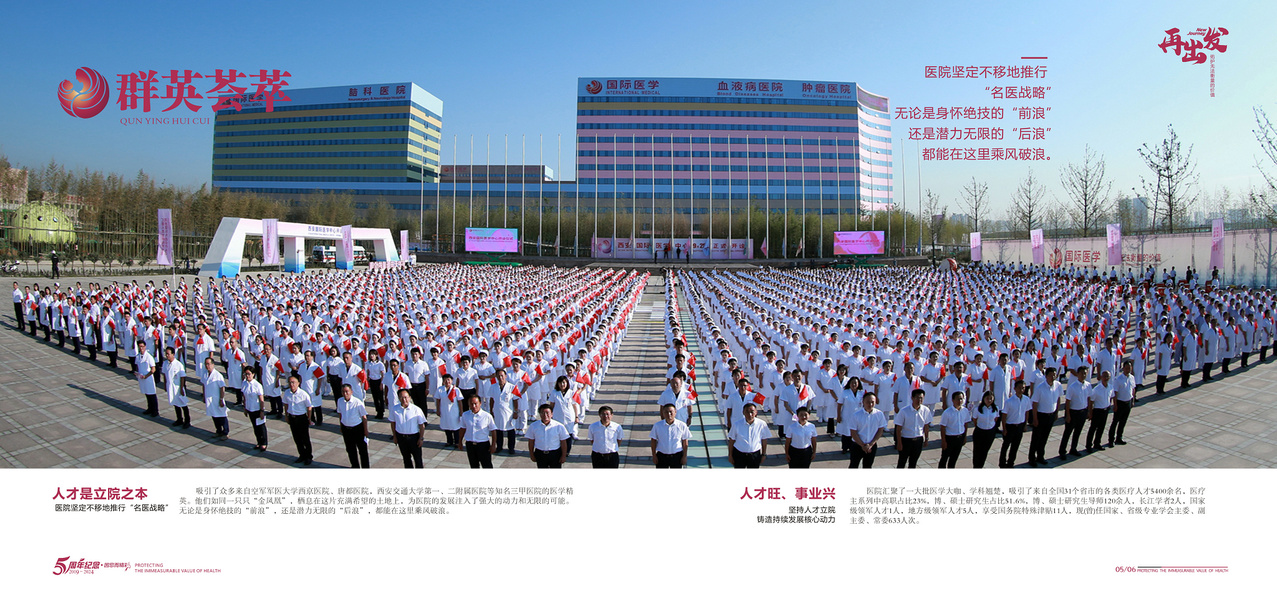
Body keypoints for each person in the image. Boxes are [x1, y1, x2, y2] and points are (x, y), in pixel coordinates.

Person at [1028, 367, 1063, 467]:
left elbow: (1058, 399)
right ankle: (1032, 458)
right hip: (1041, 416)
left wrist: (1056, 413)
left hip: (1051, 415)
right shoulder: (1040, 388)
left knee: (1044, 437)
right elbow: (1034, 404)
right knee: (1036, 438)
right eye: (1051, 375)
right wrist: (1035, 419)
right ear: (1046, 376)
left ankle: (1040, 456)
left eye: (1054, 375)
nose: (1053, 377)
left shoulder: (1058, 385)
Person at [847, 392, 887, 468]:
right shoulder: (856, 415)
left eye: (873, 402)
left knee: (868, 466)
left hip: (871, 446)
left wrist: (871, 444)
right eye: (868, 402)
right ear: (863, 402)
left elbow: (880, 430)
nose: (870, 404)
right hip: (857, 445)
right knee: (853, 466)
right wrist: (863, 445)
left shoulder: (879, 414)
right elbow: (853, 432)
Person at [389, 388, 426, 468]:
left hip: (414, 438)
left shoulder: (416, 410)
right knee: (406, 459)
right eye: (401, 397)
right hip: (401, 438)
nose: (404, 399)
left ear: (409, 397)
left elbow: (422, 426)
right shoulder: (395, 409)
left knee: (418, 459)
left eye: (406, 397)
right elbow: (393, 423)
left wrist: (421, 438)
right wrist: (395, 436)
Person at [895, 389, 932, 469]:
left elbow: (926, 426)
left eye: (921, 398)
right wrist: (899, 443)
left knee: (913, 463)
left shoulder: (925, 410)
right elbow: (898, 428)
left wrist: (926, 439)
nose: (919, 400)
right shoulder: (904, 411)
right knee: (901, 462)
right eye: (917, 398)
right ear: (912, 398)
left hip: (918, 440)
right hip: (906, 440)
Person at [281, 374, 314, 466]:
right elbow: (286, 404)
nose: (292, 384)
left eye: (293, 382)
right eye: (290, 382)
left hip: (301, 418)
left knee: (305, 439)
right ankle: (302, 455)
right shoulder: (287, 393)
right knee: (297, 438)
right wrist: (286, 416)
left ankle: (308, 456)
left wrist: (309, 418)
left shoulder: (303, 394)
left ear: (298, 383)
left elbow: (309, 407)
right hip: (292, 417)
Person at [1060, 365, 1091, 459]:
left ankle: (1073, 448)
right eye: (1081, 373)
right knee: (1067, 433)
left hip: (1083, 412)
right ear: (1077, 374)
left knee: (1077, 432)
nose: (1083, 375)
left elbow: (1089, 398)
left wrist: (1089, 411)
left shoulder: (1088, 385)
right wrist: (1068, 415)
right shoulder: (1072, 387)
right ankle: (1062, 451)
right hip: (1073, 412)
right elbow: (1068, 401)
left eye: (1085, 373)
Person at [458, 395, 497, 468]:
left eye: (475, 404)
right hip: (470, 445)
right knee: (474, 466)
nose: (473, 406)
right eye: (471, 404)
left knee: (487, 466)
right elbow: (463, 428)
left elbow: (493, 430)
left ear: (480, 403)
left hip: (483, 445)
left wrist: (493, 444)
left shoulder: (487, 416)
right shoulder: (465, 415)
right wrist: (460, 441)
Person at [1000, 379, 1032, 468]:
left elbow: (1027, 412)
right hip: (1010, 426)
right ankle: (1002, 463)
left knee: (1015, 446)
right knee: (1005, 446)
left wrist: (1025, 425)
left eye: (1023, 388)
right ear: (1015, 389)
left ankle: (1011, 462)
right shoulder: (1009, 401)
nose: (1021, 390)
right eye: (1019, 388)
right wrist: (1004, 428)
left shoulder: (1026, 399)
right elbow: (1004, 416)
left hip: (1020, 426)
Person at [726, 403, 770, 468]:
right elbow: (732, 440)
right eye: (747, 412)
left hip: (754, 455)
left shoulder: (762, 424)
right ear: (743, 412)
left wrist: (764, 454)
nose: (750, 414)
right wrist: (730, 455)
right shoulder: (737, 424)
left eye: (752, 412)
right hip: (739, 454)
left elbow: (764, 440)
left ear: (756, 412)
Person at [337, 384, 370, 468]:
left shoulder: (357, 402)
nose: (345, 394)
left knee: (362, 450)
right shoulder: (340, 401)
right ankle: (355, 466)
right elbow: (340, 414)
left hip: (357, 429)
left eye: (347, 391)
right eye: (343, 392)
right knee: (350, 450)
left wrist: (365, 430)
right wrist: (341, 426)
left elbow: (364, 417)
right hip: (346, 429)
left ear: (351, 392)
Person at [649, 403, 690, 468]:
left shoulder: (682, 425)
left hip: (677, 456)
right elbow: (653, 441)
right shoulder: (657, 425)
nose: (669, 414)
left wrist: (684, 456)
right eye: (666, 412)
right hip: (662, 456)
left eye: (671, 412)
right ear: (663, 413)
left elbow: (685, 442)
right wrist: (654, 455)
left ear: (675, 412)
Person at [937, 391, 970, 469]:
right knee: (944, 458)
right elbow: (942, 427)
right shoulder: (947, 412)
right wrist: (943, 441)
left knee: (954, 459)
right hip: (950, 438)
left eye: (961, 399)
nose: (960, 401)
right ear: (952, 400)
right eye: (958, 399)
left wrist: (965, 436)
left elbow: (966, 424)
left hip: (960, 437)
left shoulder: (965, 411)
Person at [1085, 369, 1115, 453]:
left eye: (1107, 376)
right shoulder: (1097, 389)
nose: (1106, 378)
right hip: (1097, 411)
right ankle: (1088, 445)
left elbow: (1111, 397)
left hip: (1105, 410)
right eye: (1104, 376)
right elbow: (1091, 401)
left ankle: (1097, 443)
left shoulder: (1110, 387)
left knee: (1101, 428)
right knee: (1093, 428)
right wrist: (1090, 412)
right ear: (1101, 377)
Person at [970, 391, 1001, 468]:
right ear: (983, 398)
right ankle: (976, 467)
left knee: (985, 451)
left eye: (991, 398)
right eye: (987, 398)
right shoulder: (977, 409)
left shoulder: (996, 408)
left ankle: (981, 466)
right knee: (977, 451)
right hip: (979, 432)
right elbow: (975, 420)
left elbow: (996, 419)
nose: (989, 400)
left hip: (990, 432)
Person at [1110, 359, 1137, 447]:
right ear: (1123, 368)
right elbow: (1115, 393)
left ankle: (1119, 437)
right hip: (1120, 402)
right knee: (1115, 422)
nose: (1128, 370)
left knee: (1123, 421)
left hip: (1128, 402)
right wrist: (1115, 405)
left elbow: (1133, 389)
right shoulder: (1118, 379)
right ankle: (1111, 439)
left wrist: (1132, 401)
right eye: (1126, 368)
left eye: (1130, 368)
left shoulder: (1132, 377)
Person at [161, 347, 190, 428]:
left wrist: (181, 388)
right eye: (166, 354)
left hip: (178, 388)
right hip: (170, 387)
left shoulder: (178, 364)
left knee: (183, 404)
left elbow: (182, 377)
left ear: (173, 354)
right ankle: (179, 419)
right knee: (175, 403)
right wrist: (165, 384)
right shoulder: (165, 363)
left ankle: (187, 421)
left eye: (168, 354)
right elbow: (164, 374)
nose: (167, 355)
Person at [202, 357, 230, 439]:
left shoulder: (218, 375)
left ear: (213, 364)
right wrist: (204, 395)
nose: (207, 366)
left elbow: (222, 388)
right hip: (209, 399)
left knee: (222, 415)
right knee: (214, 415)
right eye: (206, 364)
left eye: (209, 364)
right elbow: (204, 385)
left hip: (217, 399)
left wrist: (221, 399)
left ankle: (225, 433)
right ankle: (218, 431)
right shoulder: (205, 374)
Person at [242, 368, 268, 452]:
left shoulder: (257, 385)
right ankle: (259, 442)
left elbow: (261, 399)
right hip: (250, 408)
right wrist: (245, 408)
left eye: (249, 374)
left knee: (261, 427)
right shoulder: (244, 383)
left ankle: (264, 443)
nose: (247, 376)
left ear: (253, 374)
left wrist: (262, 411)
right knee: (255, 427)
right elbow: (244, 397)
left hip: (257, 409)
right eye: (246, 374)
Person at [135, 339, 159, 418]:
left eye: (142, 346)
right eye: (140, 346)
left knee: (151, 394)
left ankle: (155, 411)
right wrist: (137, 373)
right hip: (141, 378)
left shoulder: (149, 356)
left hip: (148, 378)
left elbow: (153, 369)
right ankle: (149, 408)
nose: (141, 348)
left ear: (145, 346)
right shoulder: (138, 356)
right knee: (146, 393)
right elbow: (137, 366)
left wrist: (146, 376)